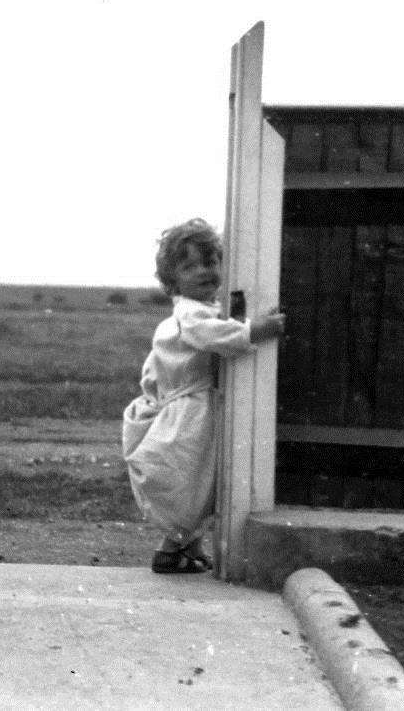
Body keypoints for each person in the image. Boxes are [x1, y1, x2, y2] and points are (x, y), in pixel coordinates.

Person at [122, 218, 284, 574]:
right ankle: (171, 549)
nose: (203, 271)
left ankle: (188, 548)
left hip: (196, 405)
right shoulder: (189, 313)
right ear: (172, 279)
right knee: (191, 481)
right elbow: (210, 335)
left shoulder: (204, 309)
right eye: (189, 266)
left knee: (200, 482)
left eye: (210, 263)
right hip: (189, 411)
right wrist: (257, 330)